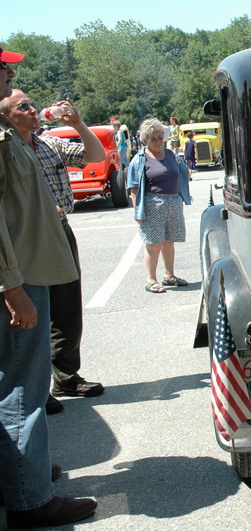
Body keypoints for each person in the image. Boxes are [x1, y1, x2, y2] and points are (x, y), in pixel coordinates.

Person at [0, 46, 97, 528]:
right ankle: (29, 498)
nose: (8, 73)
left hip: (30, 270)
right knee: (23, 389)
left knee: (22, 384)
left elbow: (95, 156)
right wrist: (12, 288)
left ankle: (23, 474)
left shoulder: (22, 139)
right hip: (20, 278)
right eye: (2, 69)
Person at [0, 89, 106, 416]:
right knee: (35, 311)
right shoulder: (7, 149)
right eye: (23, 106)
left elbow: (95, 155)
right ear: (6, 115)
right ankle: (37, 387)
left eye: (32, 104)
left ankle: (66, 376)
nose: (33, 110)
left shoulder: (49, 144)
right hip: (27, 238)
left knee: (67, 307)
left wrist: (78, 124)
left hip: (59, 230)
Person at [127, 118, 192, 293]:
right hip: (152, 205)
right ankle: (151, 280)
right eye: (153, 139)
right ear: (145, 140)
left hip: (173, 202)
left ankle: (169, 275)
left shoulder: (171, 155)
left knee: (169, 242)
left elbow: (184, 171)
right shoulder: (139, 160)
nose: (157, 142)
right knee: (153, 244)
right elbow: (133, 187)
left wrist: (182, 190)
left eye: (159, 137)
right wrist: (137, 211)